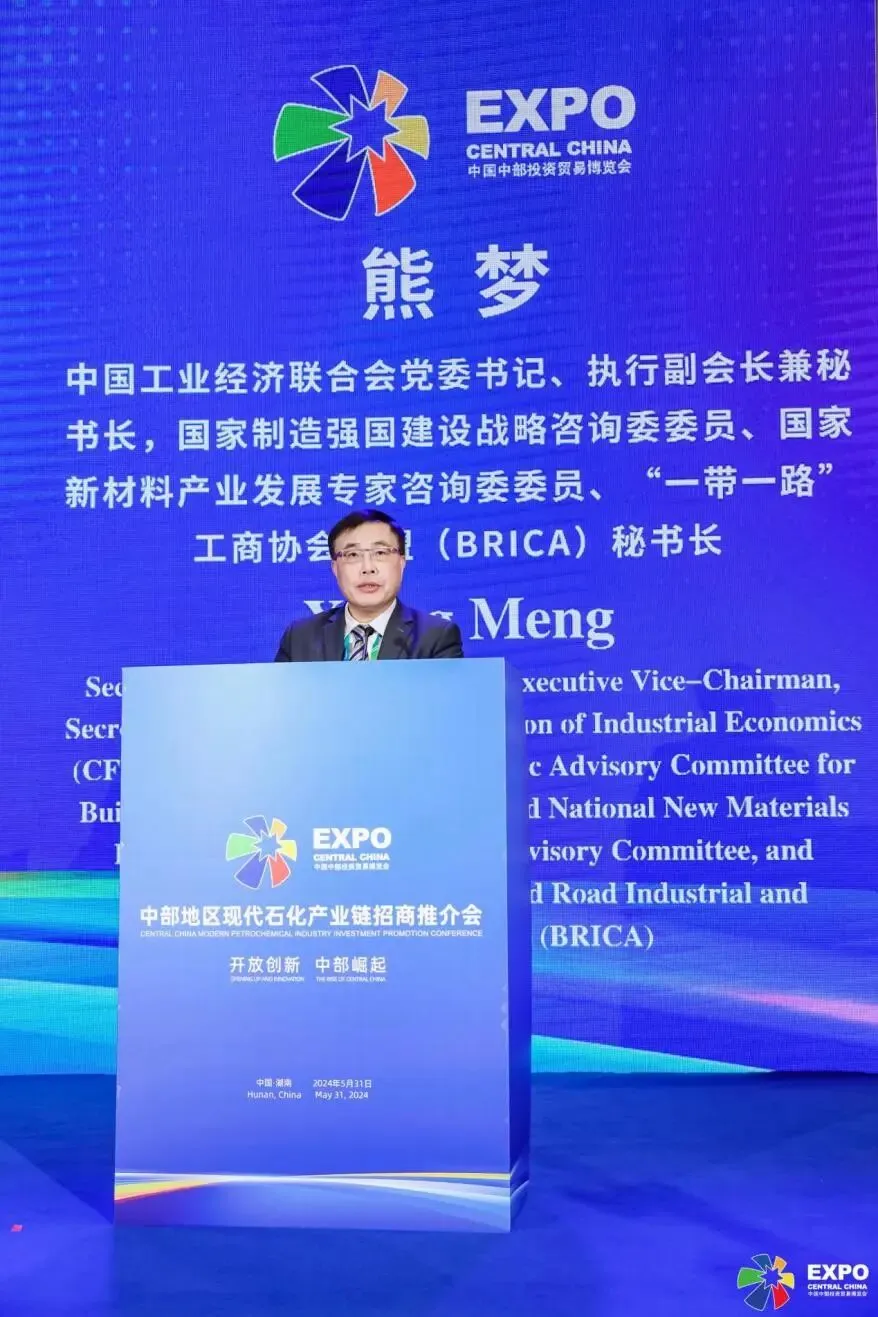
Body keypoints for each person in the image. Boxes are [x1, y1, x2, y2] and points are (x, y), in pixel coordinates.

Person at [274, 510, 464, 661]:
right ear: (335, 568)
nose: (367, 568)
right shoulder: (300, 637)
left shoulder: (436, 637)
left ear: (402, 562)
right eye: (353, 555)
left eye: (380, 553)